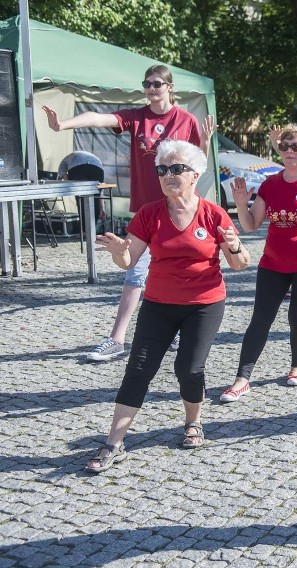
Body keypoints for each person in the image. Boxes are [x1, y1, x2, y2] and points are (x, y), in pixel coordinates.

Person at [84, 141, 250, 473]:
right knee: (138, 370)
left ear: (196, 175)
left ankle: (193, 422)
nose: (168, 175)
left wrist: (234, 245)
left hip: (204, 304)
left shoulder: (214, 213)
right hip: (158, 304)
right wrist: (119, 250)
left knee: (188, 369)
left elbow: (239, 264)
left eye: (177, 169)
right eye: (162, 170)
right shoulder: (149, 213)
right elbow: (128, 259)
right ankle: (113, 444)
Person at [42, 64, 215, 362]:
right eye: (147, 83)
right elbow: (97, 118)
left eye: (157, 83)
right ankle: (117, 339)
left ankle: (174, 330)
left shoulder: (185, 120)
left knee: (175, 269)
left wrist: (208, 142)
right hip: (146, 211)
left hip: (178, 209)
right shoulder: (137, 117)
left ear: (170, 88)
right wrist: (63, 125)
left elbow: (198, 163)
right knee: (135, 272)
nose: (151, 88)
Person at [219, 123, 297, 403]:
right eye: (284, 146)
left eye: (296, 147)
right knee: (260, 319)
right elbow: (251, 225)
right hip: (274, 261)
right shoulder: (271, 184)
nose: (289, 151)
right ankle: (242, 379)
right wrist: (241, 203)